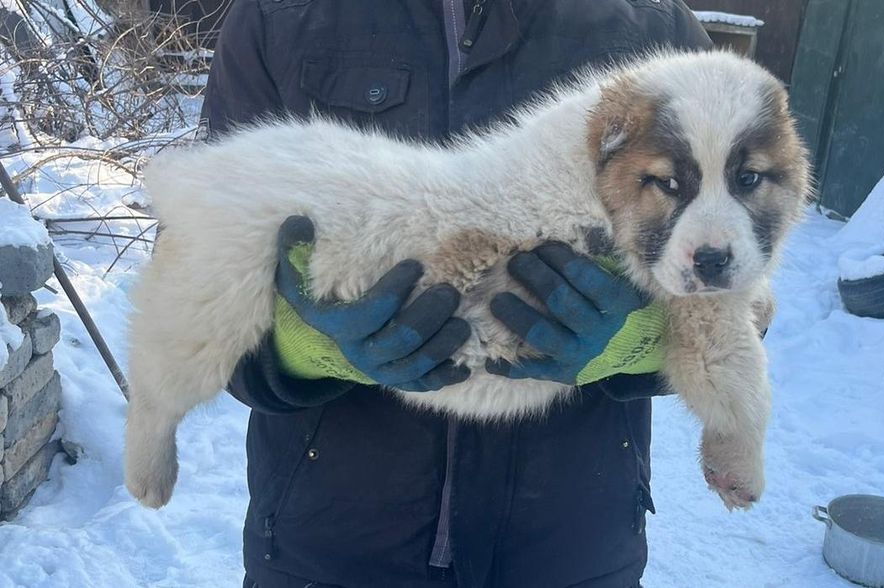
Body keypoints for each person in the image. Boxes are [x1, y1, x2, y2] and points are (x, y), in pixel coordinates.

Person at [201, 1, 712, 586]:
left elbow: (744, 282)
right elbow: (194, 270)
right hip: (333, 549)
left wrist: (639, 337)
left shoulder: (654, 30)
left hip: (567, 549)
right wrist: (302, 345)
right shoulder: (281, 18)